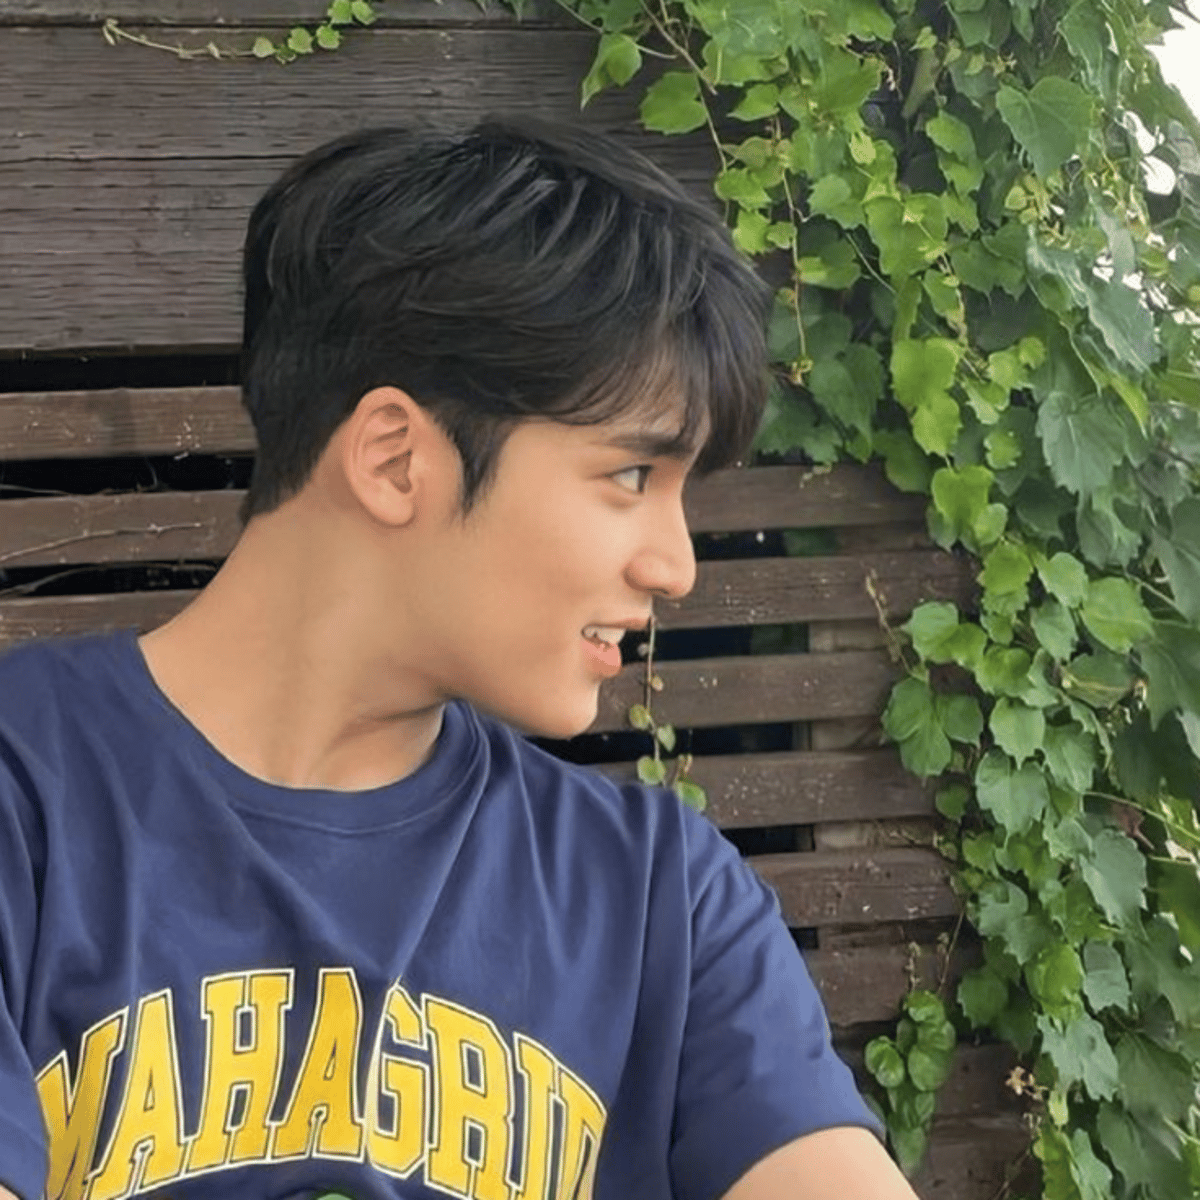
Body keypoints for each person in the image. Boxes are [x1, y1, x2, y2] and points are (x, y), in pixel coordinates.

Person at [0, 119, 920, 1200]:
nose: (676, 567)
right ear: (397, 460)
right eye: (631, 477)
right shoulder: (29, 801)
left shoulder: (662, 901)